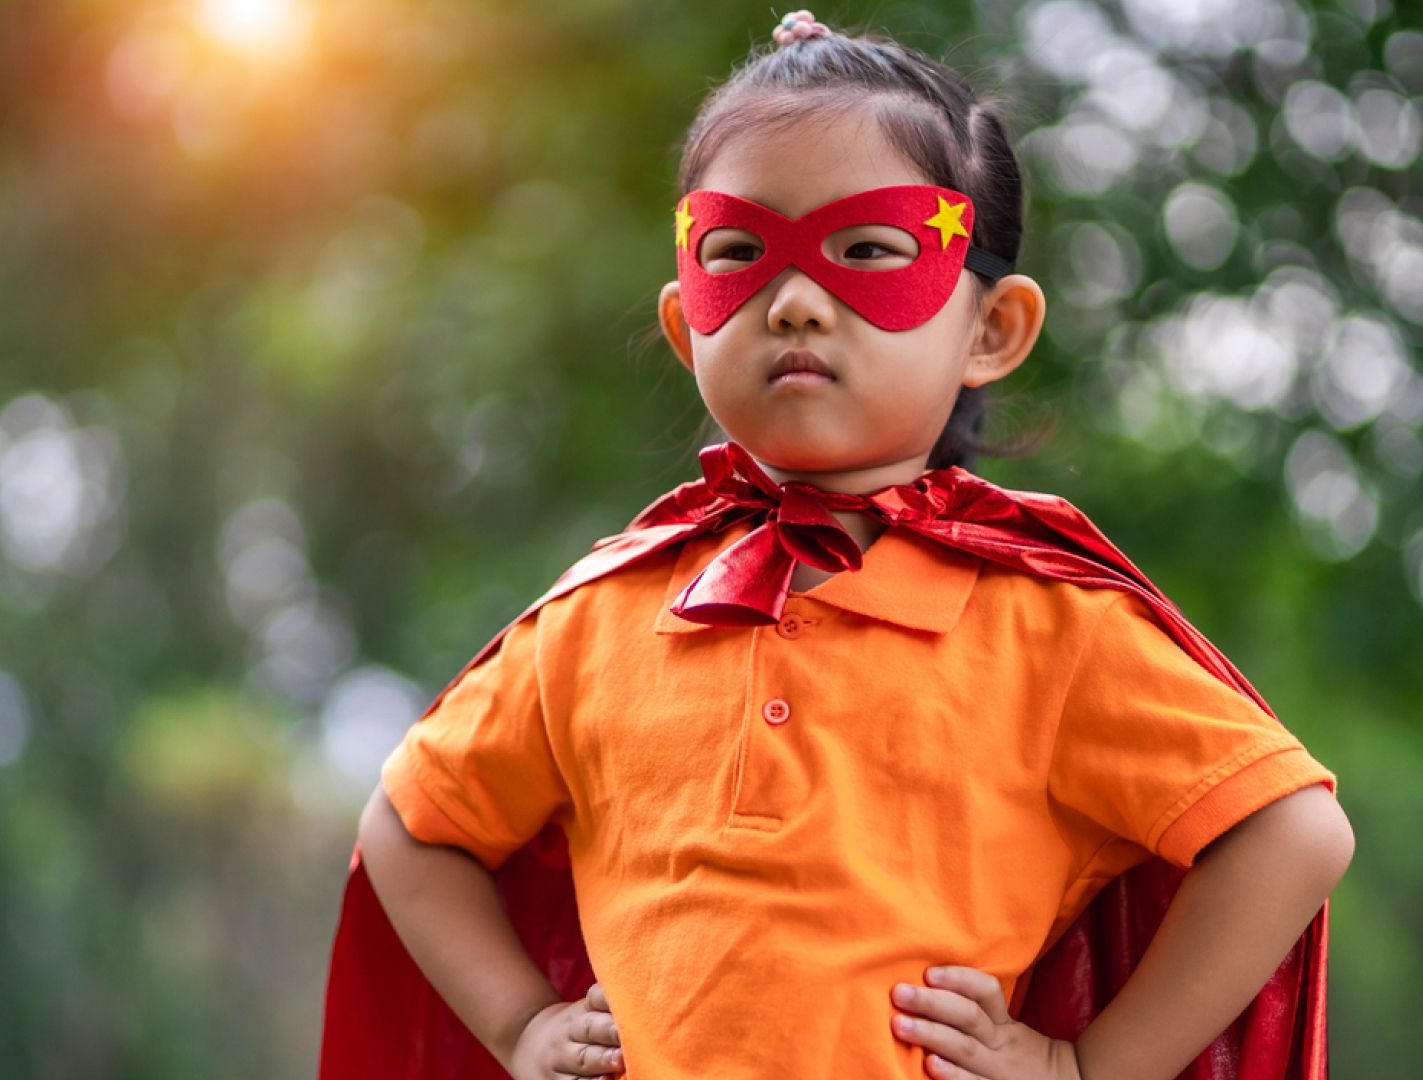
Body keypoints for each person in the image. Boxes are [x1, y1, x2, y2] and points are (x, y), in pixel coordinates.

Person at [321, 11, 1355, 1080]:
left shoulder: (1051, 627)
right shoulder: (597, 620)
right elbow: (410, 825)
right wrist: (519, 1025)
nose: (797, 303)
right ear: (685, 327)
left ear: (992, 329)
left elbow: (1291, 834)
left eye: (868, 251)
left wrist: (1087, 1067)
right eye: (739, 253)